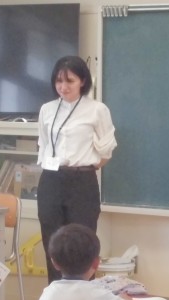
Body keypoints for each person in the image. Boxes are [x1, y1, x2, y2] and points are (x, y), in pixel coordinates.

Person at [36, 55, 117, 283]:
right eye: (58, 81)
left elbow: (106, 151)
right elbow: (43, 144)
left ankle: (84, 295)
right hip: (51, 180)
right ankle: (56, 294)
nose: (63, 87)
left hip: (82, 182)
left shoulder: (97, 110)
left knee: (83, 243)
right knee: (52, 242)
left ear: (82, 81)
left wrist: (84, 167)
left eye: (69, 81)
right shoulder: (47, 109)